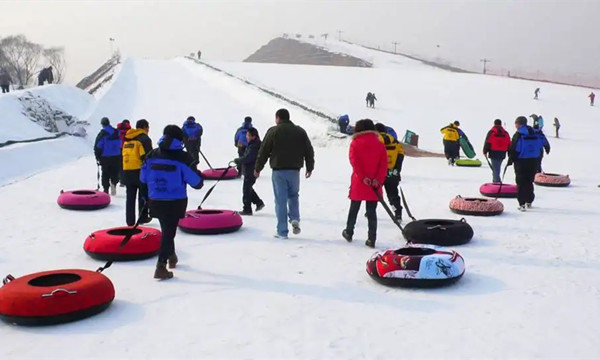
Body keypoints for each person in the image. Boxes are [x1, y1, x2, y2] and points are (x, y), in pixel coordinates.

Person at [140, 125, 204, 280]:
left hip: (155, 199)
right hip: (175, 201)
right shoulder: (183, 157)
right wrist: (198, 175)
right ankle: (161, 266)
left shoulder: (151, 154)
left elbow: (142, 178)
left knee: (166, 229)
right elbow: (197, 183)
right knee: (169, 232)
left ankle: (172, 256)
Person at [255, 108, 315, 239]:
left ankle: (282, 231)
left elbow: (264, 150)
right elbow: (309, 150)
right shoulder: (300, 131)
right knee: (293, 195)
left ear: (278, 118)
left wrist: (258, 168)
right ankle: (294, 218)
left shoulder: (273, 131)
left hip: (279, 171)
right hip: (295, 170)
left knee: (280, 200)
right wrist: (309, 167)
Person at [341, 119, 388, 248]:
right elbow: (383, 165)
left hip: (359, 181)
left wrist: (363, 177)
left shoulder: (355, 143)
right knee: (371, 212)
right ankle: (371, 238)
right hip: (374, 183)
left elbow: (354, 162)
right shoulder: (380, 144)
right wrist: (377, 179)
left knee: (354, 208)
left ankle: (349, 232)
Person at [507, 116, 544, 211]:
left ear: (519, 124)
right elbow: (543, 144)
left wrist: (511, 160)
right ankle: (529, 201)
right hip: (534, 161)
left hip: (521, 161)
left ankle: (522, 203)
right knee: (529, 181)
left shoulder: (519, 134)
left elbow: (513, 148)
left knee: (520, 182)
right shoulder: (535, 132)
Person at [122, 119, 153, 226]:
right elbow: (148, 157)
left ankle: (130, 221)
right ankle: (142, 217)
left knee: (130, 198)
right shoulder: (144, 139)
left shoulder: (127, 138)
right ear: (144, 127)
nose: (148, 129)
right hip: (140, 171)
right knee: (143, 195)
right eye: (148, 127)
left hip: (127, 170)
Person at [375, 123, 404, 220]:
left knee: (375, 194)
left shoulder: (376, 140)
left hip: (378, 173)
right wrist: (397, 170)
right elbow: (401, 155)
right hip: (392, 173)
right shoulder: (395, 141)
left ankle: (371, 211)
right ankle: (397, 212)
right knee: (393, 195)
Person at [234, 127, 265, 215]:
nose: (246, 137)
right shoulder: (253, 144)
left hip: (251, 170)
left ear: (253, 136)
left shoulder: (254, 146)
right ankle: (258, 202)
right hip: (250, 169)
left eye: (248, 135)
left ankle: (247, 209)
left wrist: (239, 160)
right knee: (248, 188)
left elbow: (249, 158)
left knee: (246, 190)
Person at [94, 117, 122, 195]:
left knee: (105, 173)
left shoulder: (102, 134)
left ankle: (106, 189)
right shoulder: (117, 132)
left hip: (105, 156)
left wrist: (97, 156)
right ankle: (114, 183)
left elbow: (98, 146)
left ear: (102, 124)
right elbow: (120, 143)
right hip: (116, 155)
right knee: (115, 171)